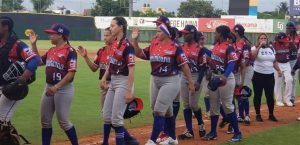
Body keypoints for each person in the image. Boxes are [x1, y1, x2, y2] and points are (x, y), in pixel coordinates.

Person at [131, 23, 195, 145]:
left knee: (159, 111)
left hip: (170, 81)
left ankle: (152, 140)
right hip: (155, 79)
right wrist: (134, 40)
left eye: (159, 31)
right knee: (166, 111)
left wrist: (190, 82)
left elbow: (185, 66)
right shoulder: (154, 44)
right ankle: (172, 138)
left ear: (166, 33)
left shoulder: (175, 47)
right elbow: (139, 53)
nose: (156, 34)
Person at [29, 23, 79, 145]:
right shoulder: (52, 50)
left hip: (63, 89)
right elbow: (39, 62)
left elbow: (71, 73)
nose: (49, 36)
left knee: (63, 121)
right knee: (45, 120)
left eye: (52, 33)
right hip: (49, 87)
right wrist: (33, 44)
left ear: (60, 35)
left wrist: (56, 87)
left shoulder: (70, 51)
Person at [100, 17, 139, 145]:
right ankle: (105, 142)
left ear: (121, 27)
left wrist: (129, 90)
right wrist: (105, 77)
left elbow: (132, 69)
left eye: (112, 26)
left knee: (116, 119)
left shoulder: (127, 46)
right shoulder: (114, 43)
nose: (110, 28)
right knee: (106, 116)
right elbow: (111, 64)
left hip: (123, 81)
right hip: (113, 81)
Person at [0, 16, 39, 143]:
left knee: (1, 120)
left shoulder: (17, 45)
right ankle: (9, 136)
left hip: (13, 89)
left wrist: (22, 79)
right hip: (2, 86)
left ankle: (9, 138)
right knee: (4, 123)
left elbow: (34, 60)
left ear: (5, 27)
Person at [199, 25, 242, 142]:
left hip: (226, 79)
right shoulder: (216, 46)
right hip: (214, 77)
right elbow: (213, 56)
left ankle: (238, 132)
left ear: (221, 34)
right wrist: (203, 49)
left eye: (216, 33)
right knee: (214, 107)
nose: (214, 34)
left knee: (227, 106)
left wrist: (225, 76)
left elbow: (232, 62)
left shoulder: (229, 47)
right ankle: (213, 132)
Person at [177, 25, 206, 140]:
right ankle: (189, 130)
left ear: (192, 34)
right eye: (183, 33)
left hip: (195, 76)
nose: (184, 35)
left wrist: (198, 81)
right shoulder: (181, 47)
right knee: (186, 104)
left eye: (186, 33)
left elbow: (203, 67)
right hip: (184, 77)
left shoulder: (200, 48)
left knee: (193, 104)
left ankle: (201, 125)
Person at [77, 27, 114, 109]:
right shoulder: (101, 51)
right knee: (104, 111)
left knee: (114, 112)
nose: (105, 38)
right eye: (104, 35)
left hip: (115, 83)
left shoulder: (117, 50)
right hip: (103, 84)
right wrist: (85, 57)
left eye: (107, 35)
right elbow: (94, 68)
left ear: (113, 36)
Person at [251, 33, 281, 122]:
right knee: (258, 95)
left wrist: (279, 70)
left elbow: (274, 61)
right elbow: (253, 56)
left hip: (270, 75)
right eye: (261, 38)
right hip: (258, 75)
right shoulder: (254, 48)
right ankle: (258, 114)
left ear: (267, 40)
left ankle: (271, 114)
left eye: (265, 38)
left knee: (270, 96)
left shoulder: (271, 48)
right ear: (258, 40)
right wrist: (259, 46)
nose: (263, 39)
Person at [232, 24, 253, 125]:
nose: (232, 33)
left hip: (246, 69)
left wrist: (242, 79)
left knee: (243, 90)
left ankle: (247, 115)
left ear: (237, 32)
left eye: (234, 32)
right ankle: (240, 115)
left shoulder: (245, 44)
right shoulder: (233, 43)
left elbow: (246, 60)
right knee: (237, 92)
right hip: (237, 70)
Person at [273, 32, 293, 107]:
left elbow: (292, 52)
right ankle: (278, 100)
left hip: (287, 63)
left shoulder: (288, 43)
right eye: (283, 39)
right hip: (278, 64)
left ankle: (287, 99)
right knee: (278, 82)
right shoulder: (274, 45)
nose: (285, 40)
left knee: (289, 80)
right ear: (278, 39)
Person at [286, 21, 299, 105]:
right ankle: (286, 97)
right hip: (286, 60)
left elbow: (297, 49)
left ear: (293, 29)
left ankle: (292, 97)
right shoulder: (284, 37)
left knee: (293, 80)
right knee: (286, 80)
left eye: (289, 28)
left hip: (295, 60)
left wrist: (292, 42)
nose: (288, 29)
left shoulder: (298, 37)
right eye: (287, 28)